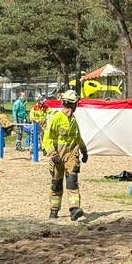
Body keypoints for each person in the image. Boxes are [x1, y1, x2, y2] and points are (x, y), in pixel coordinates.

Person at [43, 90, 88, 221]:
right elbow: (47, 137)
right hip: (57, 155)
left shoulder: (73, 120)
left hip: (71, 155)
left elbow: (78, 137)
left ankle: (74, 209)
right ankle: (54, 210)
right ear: (72, 104)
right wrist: (52, 153)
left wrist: (84, 151)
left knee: (72, 181)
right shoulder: (57, 118)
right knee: (56, 184)